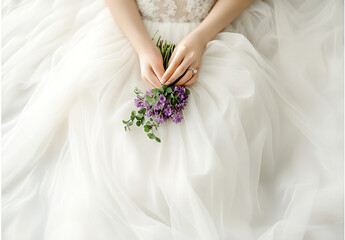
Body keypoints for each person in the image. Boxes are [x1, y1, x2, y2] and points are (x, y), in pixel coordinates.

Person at [2, 0, 343, 239]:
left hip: (212, 32)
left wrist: (201, 36)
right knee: (105, 156)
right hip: (133, 31)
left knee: (217, 154)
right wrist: (142, 47)